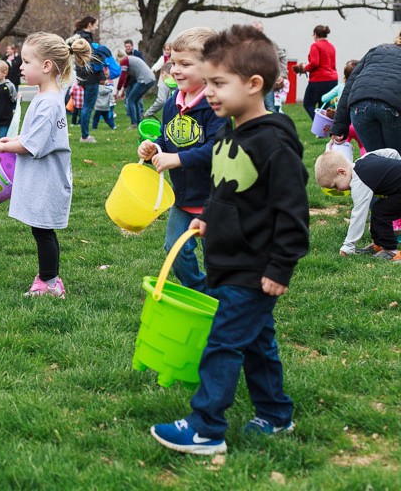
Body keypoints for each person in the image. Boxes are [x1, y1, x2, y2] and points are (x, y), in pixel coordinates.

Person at [151, 24, 309, 455]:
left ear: (255, 84)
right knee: (257, 342)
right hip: (227, 260)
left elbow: (293, 216)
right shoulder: (228, 131)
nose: (212, 92)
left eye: (219, 83)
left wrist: (279, 269)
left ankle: (205, 428)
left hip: (254, 268)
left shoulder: (274, 143)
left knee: (222, 343)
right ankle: (276, 415)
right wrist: (208, 225)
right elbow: (226, 195)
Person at [0, 32, 92, 299]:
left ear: (46, 66)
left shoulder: (48, 102)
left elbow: (32, 146)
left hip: (48, 180)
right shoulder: (48, 96)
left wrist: (2, 146)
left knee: (44, 230)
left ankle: (50, 282)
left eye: (25, 61)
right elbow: (34, 136)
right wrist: (15, 137)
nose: (20, 67)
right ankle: (48, 277)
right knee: (41, 229)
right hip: (44, 177)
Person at [138, 27, 226, 294]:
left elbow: (218, 148)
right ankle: (204, 292)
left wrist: (177, 159)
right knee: (174, 250)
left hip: (216, 198)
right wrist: (155, 147)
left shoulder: (216, 104)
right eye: (173, 62)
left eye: (185, 64)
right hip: (184, 196)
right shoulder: (171, 104)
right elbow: (168, 139)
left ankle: (229, 303)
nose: (175, 70)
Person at [315, 149, 401, 260]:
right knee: (378, 209)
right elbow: (391, 152)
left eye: (335, 186)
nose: (338, 191)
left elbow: (358, 215)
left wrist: (348, 246)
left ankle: (391, 251)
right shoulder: (364, 159)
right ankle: (379, 245)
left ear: (342, 172)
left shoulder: (359, 181)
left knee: (382, 212)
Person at [330, 31, 401, 154]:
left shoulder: (377, 50)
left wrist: (339, 126)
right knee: (396, 160)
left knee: (376, 159)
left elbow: (349, 86)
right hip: (392, 107)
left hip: (359, 105)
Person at [294, 24, 337, 119]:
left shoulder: (315, 46)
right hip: (332, 80)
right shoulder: (332, 46)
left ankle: (320, 125)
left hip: (319, 80)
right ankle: (325, 130)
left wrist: (305, 68)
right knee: (324, 107)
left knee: (308, 104)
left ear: (316, 35)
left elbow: (314, 63)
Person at [71, 15, 103, 143]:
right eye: (95, 25)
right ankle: (85, 136)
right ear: (89, 25)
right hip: (90, 76)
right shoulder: (85, 39)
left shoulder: (79, 37)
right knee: (88, 107)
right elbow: (91, 58)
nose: (96, 28)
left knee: (86, 106)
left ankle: (85, 134)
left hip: (83, 76)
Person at [122, 51, 156, 127]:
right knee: (135, 100)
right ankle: (139, 122)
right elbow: (127, 78)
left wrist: (118, 90)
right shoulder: (130, 60)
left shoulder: (124, 61)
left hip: (144, 80)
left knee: (130, 100)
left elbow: (122, 77)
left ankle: (134, 123)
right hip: (150, 79)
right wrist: (122, 91)